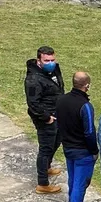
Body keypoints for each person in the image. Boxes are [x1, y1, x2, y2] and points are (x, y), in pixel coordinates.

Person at [55, 71, 98, 202]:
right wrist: (94, 150)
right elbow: (89, 132)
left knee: (73, 179)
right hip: (82, 151)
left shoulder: (61, 100)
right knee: (81, 182)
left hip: (67, 147)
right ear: (87, 85)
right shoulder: (85, 106)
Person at [25, 45, 65, 194]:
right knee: (46, 147)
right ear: (39, 60)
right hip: (46, 117)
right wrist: (46, 117)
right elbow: (33, 103)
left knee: (57, 139)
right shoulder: (33, 80)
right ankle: (43, 183)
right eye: (47, 60)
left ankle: (47, 167)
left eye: (52, 59)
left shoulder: (53, 70)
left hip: (58, 112)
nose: (51, 62)